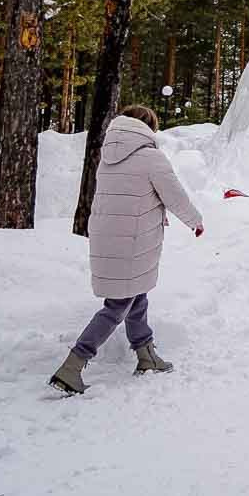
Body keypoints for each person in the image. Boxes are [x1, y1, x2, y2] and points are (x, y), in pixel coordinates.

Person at [50, 105, 203, 395]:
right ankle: (73, 365)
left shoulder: (108, 156)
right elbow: (175, 195)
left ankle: (146, 355)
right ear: (148, 128)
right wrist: (195, 221)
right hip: (133, 241)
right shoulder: (151, 157)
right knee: (118, 305)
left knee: (136, 294)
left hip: (108, 239)